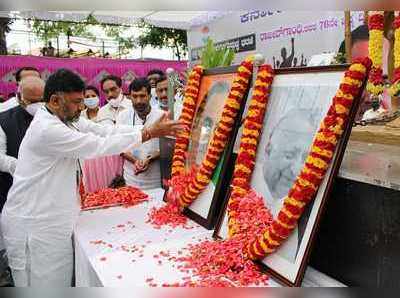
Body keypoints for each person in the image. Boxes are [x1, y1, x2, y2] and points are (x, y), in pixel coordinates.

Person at [1, 69, 183, 286]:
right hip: (35, 225)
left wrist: (149, 128)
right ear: (55, 100)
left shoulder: (66, 118)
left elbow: (103, 131)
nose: (82, 107)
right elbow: (97, 146)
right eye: (77, 101)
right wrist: (149, 133)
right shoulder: (47, 129)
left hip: (53, 222)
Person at [0, 76, 45, 286]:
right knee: (22, 260)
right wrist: (22, 166)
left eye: (41, 100)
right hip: (15, 194)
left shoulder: (50, 117)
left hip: (47, 198)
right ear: (19, 98)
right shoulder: (3, 120)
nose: (37, 105)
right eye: (32, 100)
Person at [261, 109, 315, 263]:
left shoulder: (304, 209)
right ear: (268, 150)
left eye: (305, 159)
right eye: (289, 155)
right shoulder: (245, 190)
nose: (296, 170)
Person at [117, 78, 164, 190]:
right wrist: (135, 161)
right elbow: (119, 146)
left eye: (142, 96)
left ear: (150, 96)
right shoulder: (122, 116)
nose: (138, 101)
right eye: (135, 96)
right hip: (131, 178)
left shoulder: (162, 116)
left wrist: (150, 159)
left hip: (155, 179)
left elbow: (167, 147)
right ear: (130, 97)